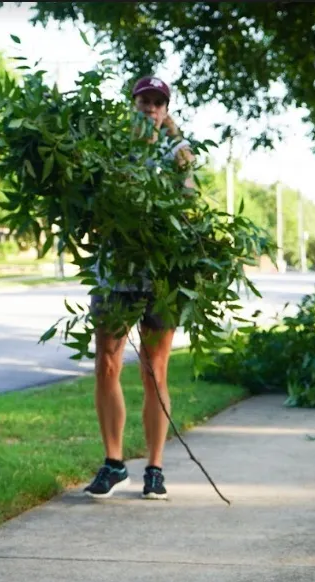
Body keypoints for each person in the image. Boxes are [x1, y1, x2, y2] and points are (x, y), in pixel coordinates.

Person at [83, 75, 194, 500]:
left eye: (157, 102)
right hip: (115, 273)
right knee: (107, 363)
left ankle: (155, 468)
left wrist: (179, 156)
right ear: (132, 105)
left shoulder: (177, 153)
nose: (150, 107)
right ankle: (113, 464)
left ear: (166, 110)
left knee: (154, 369)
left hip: (160, 276)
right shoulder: (112, 149)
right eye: (144, 100)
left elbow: (189, 204)